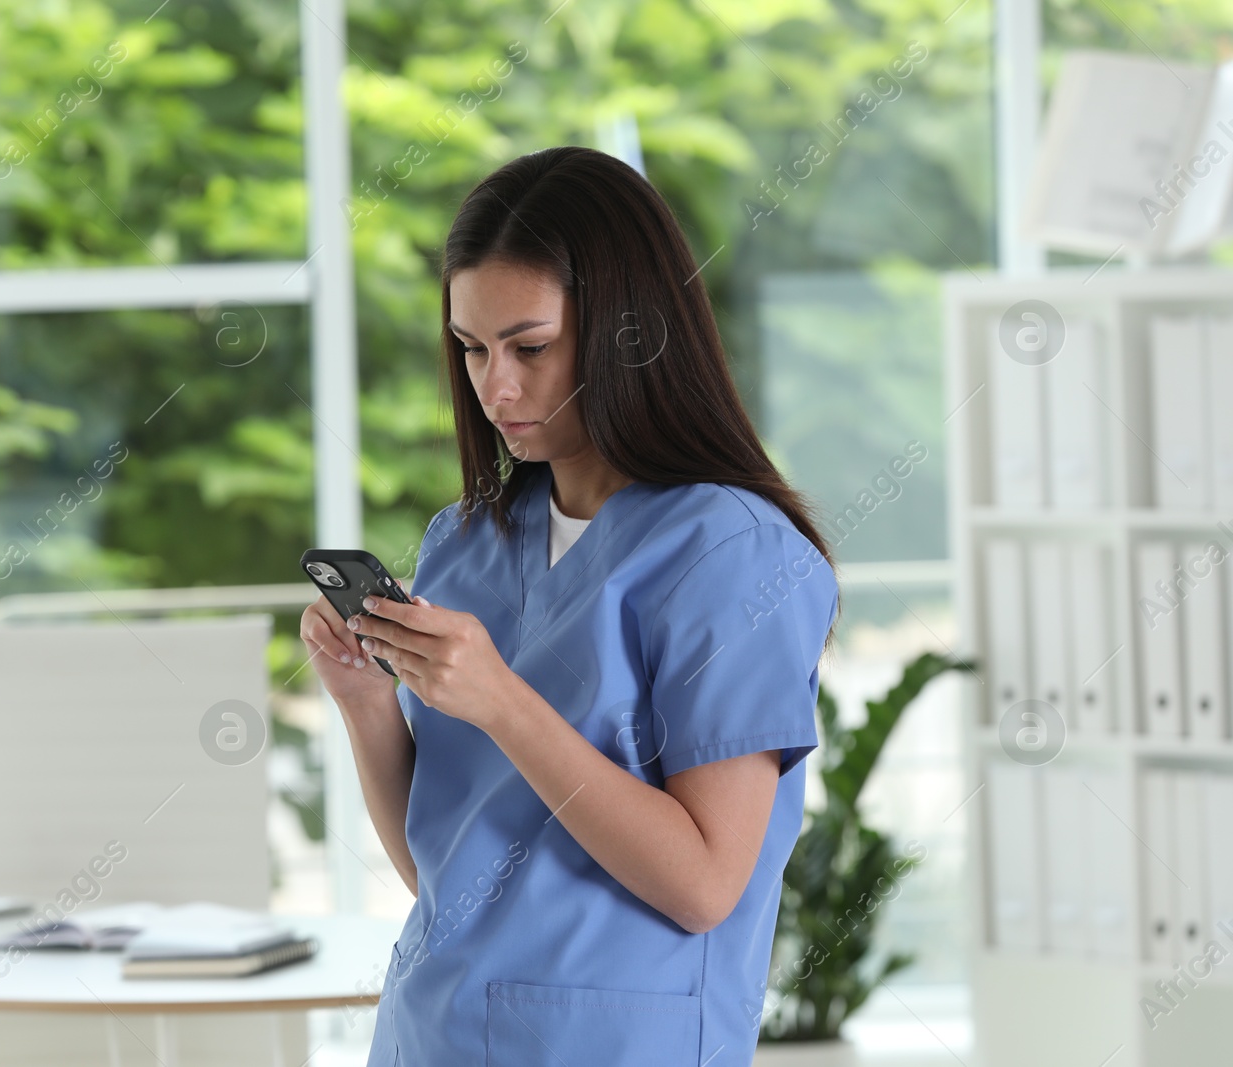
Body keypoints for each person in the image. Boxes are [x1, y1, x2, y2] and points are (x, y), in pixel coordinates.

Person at [300, 145, 839, 1067]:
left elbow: (706, 883)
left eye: (531, 347)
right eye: (470, 348)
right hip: (428, 1037)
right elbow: (445, 872)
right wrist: (367, 704)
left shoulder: (734, 554)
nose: (495, 386)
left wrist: (503, 701)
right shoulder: (464, 543)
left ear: (630, 331)